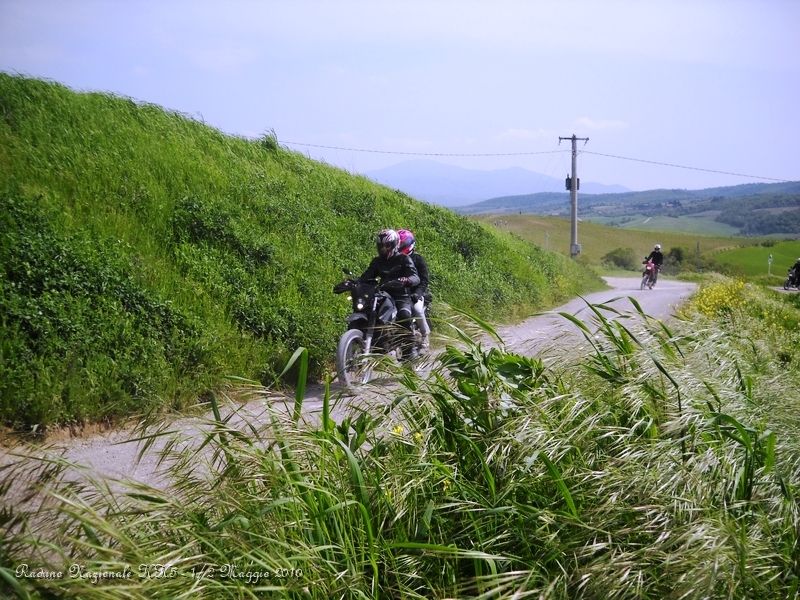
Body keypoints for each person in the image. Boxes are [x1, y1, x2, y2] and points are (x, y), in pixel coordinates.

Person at [360, 229, 420, 360]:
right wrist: (353, 283)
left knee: (404, 316)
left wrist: (406, 280)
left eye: (387, 245)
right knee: (369, 311)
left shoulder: (404, 259)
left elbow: (415, 277)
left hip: (401, 296)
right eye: (381, 246)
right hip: (383, 294)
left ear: (394, 244)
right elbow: (366, 276)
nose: (383, 249)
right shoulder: (377, 261)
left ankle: (410, 350)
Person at [397, 229, 431, 349]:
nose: (400, 247)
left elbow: (424, 280)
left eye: (402, 245)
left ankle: (424, 335)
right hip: (399, 294)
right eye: (398, 244)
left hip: (415, 294)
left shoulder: (418, 259)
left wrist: (418, 293)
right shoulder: (396, 260)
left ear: (410, 244)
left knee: (417, 310)